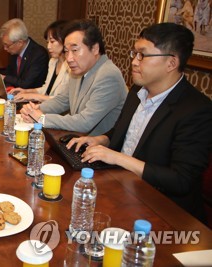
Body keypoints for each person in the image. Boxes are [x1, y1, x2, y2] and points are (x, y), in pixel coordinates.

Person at [67, 23, 212, 221]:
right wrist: (101, 140)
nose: (134, 62)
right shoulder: (137, 91)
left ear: (171, 63)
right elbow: (121, 132)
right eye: (134, 54)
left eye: (142, 55)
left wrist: (117, 158)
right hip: (121, 187)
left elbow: (181, 180)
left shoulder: (196, 110)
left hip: (162, 211)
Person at [20, 19, 127, 136]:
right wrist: (35, 109)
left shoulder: (108, 75)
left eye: (75, 50)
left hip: (98, 147)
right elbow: (62, 100)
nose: (69, 58)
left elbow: (85, 122)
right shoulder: (79, 69)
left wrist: (42, 118)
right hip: (76, 139)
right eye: (66, 51)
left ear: (95, 48)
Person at [10, 20, 70, 103]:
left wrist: (32, 96)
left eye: (52, 42)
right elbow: (46, 88)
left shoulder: (71, 66)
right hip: (45, 108)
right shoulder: (53, 62)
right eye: (47, 42)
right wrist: (26, 91)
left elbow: (64, 101)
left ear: (65, 41)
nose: (48, 46)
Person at [0, 18, 48, 89]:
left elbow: (25, 84)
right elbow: (9, 72)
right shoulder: (15, 50)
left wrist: (3, 78)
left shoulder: (38, 54)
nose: (5, 48)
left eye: (7, 45)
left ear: (20, 43)